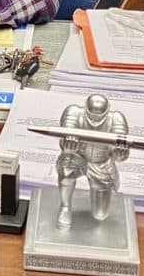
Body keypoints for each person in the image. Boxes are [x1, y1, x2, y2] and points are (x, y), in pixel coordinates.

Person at [55, 94, 129, 227]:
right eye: (91, 115)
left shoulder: (116, 119)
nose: (95, 120)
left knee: (100, 215)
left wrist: (120, 152)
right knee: (66, 169)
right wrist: (69, 143)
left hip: (100, 164)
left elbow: (119, 155)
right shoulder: (74, 112)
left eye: (99, 116)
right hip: (77, 157)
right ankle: (65, 207)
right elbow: (66, 135)